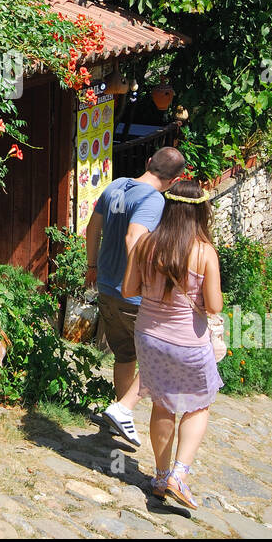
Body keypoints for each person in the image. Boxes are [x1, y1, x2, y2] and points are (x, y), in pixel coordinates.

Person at [121, 179, 222, 508]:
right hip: (187, 343)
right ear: (200, 212)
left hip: (149, 336)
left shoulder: (145, 244)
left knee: (162, 404)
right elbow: (215, 305)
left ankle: (161, 476)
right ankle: (179, 474)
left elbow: (127, 290)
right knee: (197, 404)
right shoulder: (204, 251)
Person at [84, 146, 186, 447]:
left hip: (105, 285)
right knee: (161, 357)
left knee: (126, 354)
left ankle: (119, 415)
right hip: (133, 297)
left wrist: (92, 265)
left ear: (148, 162)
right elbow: (134, 236)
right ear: (174, 181)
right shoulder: (153, 200)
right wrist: (142, 281)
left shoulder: (116, 185)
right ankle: (123, 409)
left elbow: (92, 229)